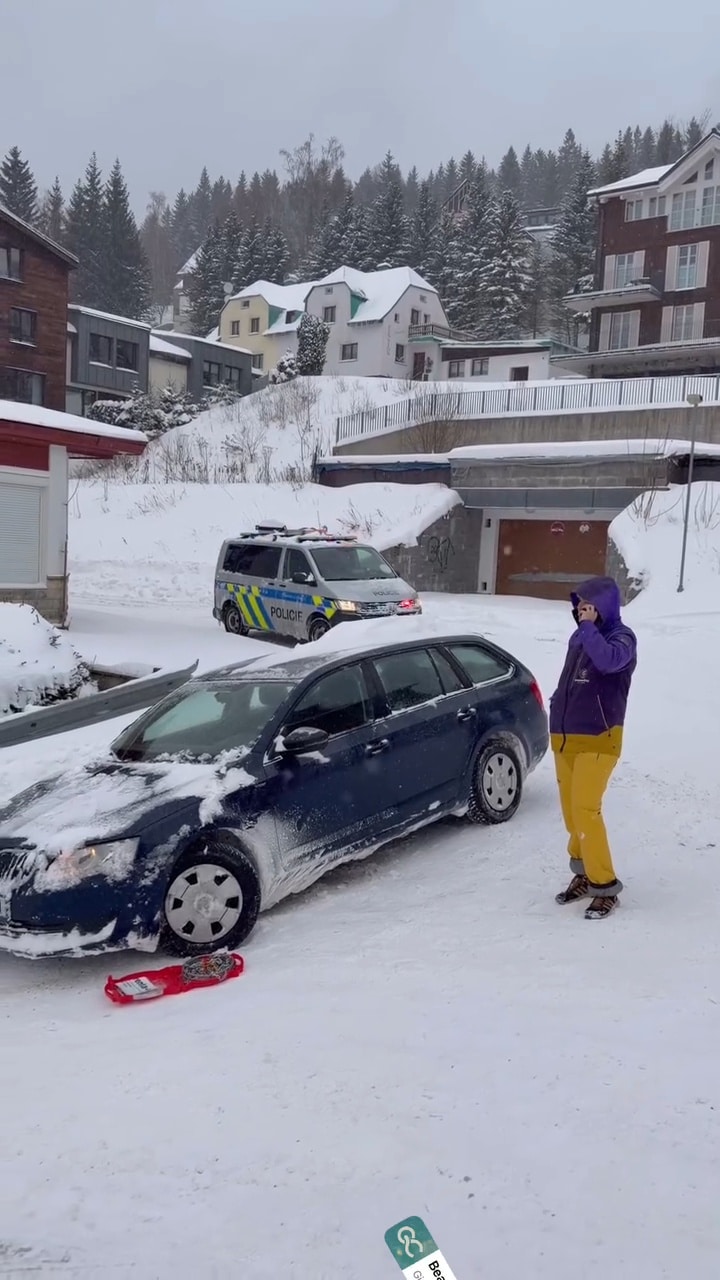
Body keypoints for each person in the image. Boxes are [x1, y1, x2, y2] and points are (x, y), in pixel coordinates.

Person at [549, 575, 637, 920]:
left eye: (588, 605)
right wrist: (556, 708)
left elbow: (608, 662)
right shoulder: (579, 636)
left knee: (586, 809)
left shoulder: (622, 638)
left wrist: (588, 629)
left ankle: (605, 885)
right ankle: (584, 872)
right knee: (573, 815)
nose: (582, 611)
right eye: (579, 605)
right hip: (565, 735)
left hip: (600, 737)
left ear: (604, 606)